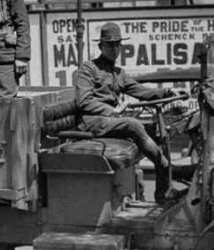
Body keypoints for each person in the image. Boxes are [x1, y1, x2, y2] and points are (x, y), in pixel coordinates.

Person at [74, 22, 183, 204]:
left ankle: (163, 192)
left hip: (110, 122)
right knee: (132, 124)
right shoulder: (88, 68)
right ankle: (163, 164)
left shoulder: (119, 72)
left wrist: (168, 92)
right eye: (109, 44)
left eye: (117, 44)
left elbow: (141, 91)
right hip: (91, 122)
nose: (114, 48)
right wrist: (113, 111)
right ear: (101, 46)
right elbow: (83, 101)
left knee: (157, 130)